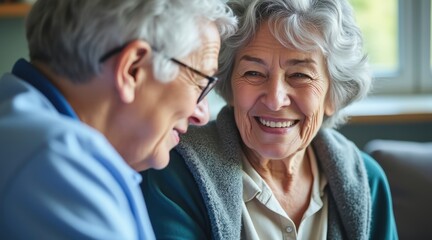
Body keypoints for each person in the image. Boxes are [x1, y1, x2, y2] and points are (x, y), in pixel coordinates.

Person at [141, 0, 398, 239]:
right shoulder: (178, 170)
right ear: (229, 86)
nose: (275, 100)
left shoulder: (366, 181)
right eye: (253, 72)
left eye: (300, 75)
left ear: (333, 95)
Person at [0, 0, 237, 239]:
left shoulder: (16, 114)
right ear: (132, 69)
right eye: (201, 81)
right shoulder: (58, 164)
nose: (201, 114)